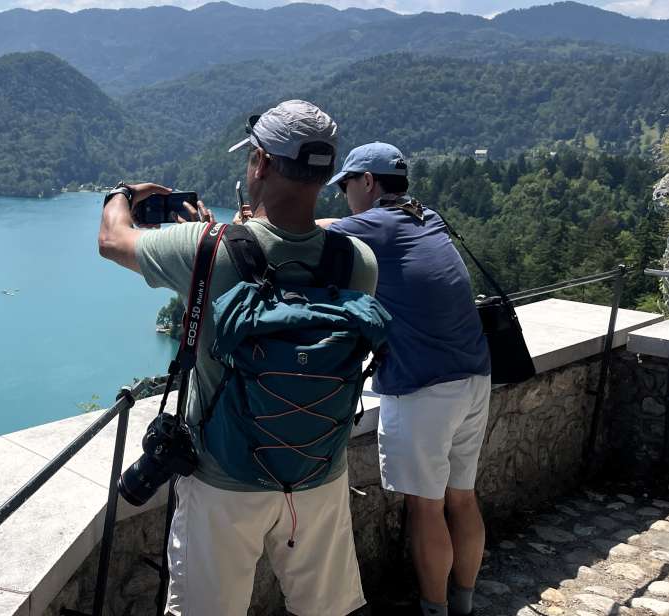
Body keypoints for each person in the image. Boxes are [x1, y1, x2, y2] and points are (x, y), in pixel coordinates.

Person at [98, 100, 379, 616]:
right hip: (317, 472)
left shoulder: (207, 249)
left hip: (224, 480)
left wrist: (122, 194)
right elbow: (296, 258)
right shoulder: (357, 261)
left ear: (261, 163)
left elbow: (111, 240)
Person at [320, 142, 492, 616]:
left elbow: (304, 234)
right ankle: (465, 602)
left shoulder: (372, 224)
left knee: (426, 508)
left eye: (347, 185)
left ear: (368, 183)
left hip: (424, 387)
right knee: (462, 498)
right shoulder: (425, 215)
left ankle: (434, 610)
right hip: (475, 375)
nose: (343, 197)